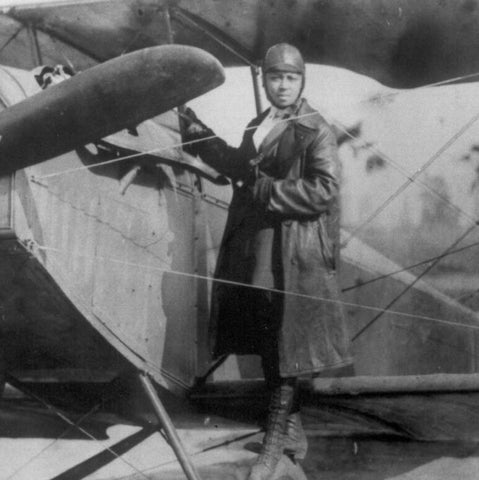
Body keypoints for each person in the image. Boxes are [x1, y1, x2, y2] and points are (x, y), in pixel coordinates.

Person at [183, 43, 352, 480]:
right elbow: (241, 166)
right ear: (264, 81)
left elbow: (325, 190)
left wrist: (271, 193)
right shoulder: (260, 123)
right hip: (257, 245)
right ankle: (292, 434)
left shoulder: (315, 130)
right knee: (266, 337)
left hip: (290, 251)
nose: (281, 84)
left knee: (284, 345)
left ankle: (274, 444)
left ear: (301, 82)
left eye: (290, 78)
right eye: (274, 77)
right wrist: (197, 133)